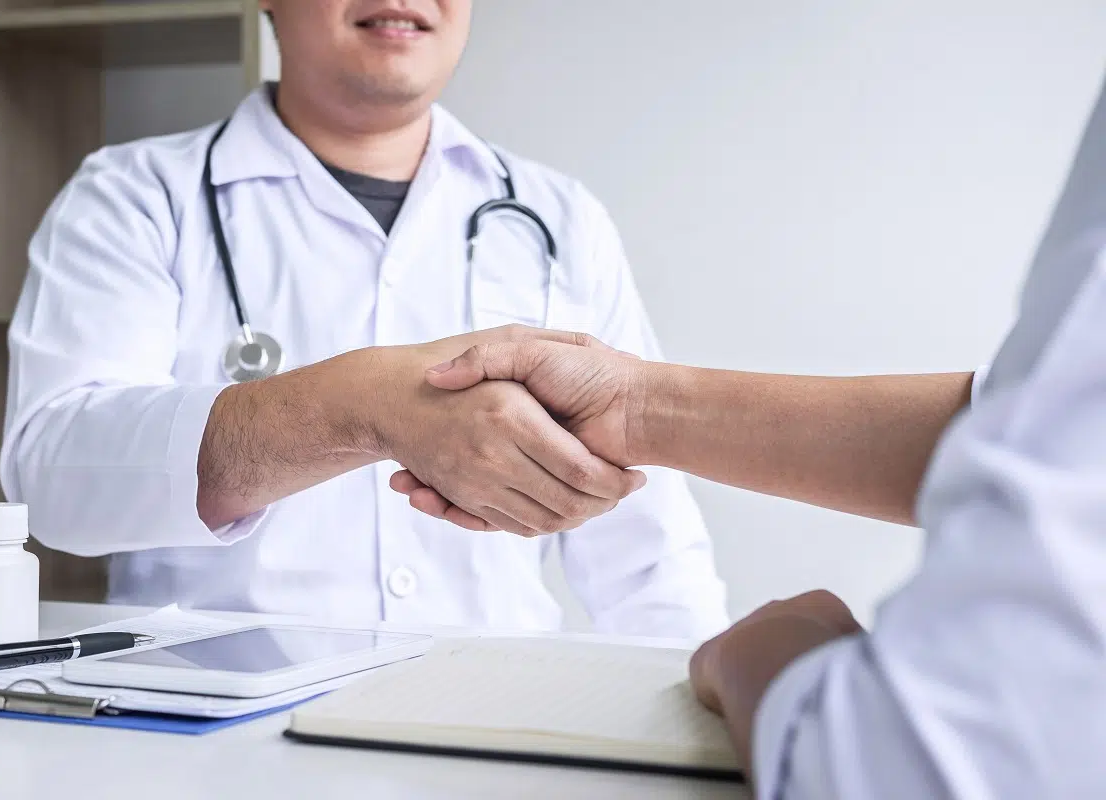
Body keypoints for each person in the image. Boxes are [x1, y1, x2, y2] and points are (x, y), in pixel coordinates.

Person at [395, 76, 1106, 797]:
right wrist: (638, 408)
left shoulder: (560, 213)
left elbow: (899, 764)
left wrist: (738, 655)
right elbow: (1033, 420)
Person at [0, 0, 728, 638]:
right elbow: (56, 477)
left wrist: (701, 719)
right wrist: (360, 406)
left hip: (488, 720)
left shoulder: (561, 217)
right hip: (215, 730)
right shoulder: (134, 196)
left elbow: (646, 538)